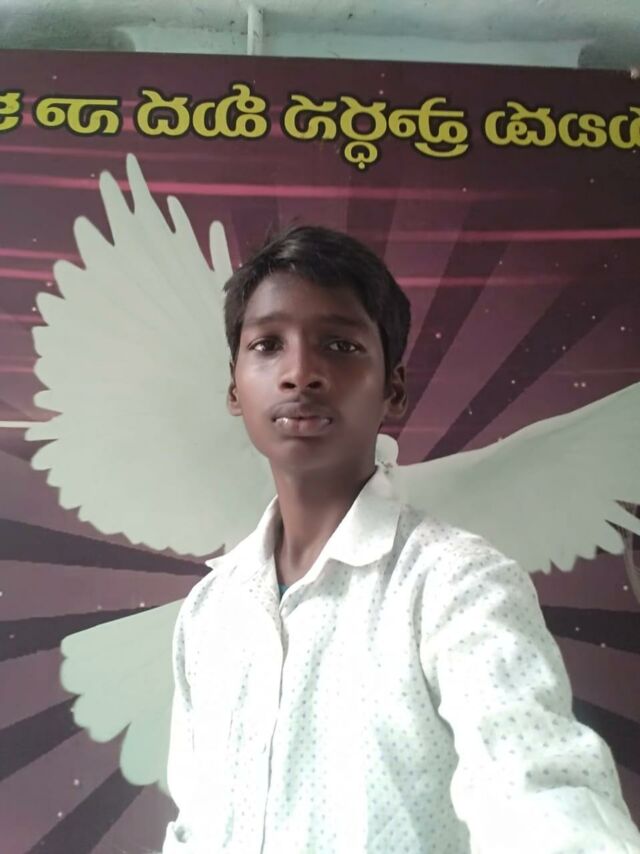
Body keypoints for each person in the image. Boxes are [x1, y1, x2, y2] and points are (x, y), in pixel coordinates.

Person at [161, 224, 640, 853]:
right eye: (268, 345)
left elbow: (537, 788)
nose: (300, 373)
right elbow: (195, 826)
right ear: (233, 387)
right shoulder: (209, 612)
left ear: (393, 387)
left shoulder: (458, 585)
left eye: (339, 344)